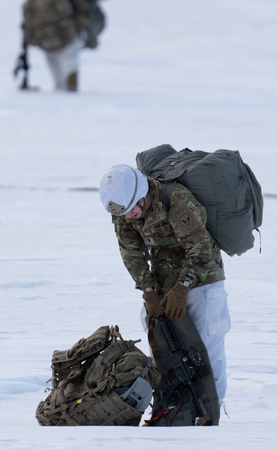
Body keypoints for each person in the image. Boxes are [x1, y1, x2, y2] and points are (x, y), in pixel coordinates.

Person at [98, 164, 231, 406]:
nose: (128, 217)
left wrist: (182, 289)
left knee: (208, 348)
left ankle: (214, 410)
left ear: (142, 195)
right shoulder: (123, 209)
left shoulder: (177, 200)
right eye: (123, 213)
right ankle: (170, 406)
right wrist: (148, 290)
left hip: (203, 279)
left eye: (131, 211)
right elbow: (131, 252)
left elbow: (201, 247)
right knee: (161, 345)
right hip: (163, 280)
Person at [19, 0, 92, 92]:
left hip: (69, 36)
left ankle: (71, 88)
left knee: (70, 62)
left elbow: (85, 13)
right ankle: (59, 89)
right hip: (48, 39)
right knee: (53, 63)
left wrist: (78, 27)